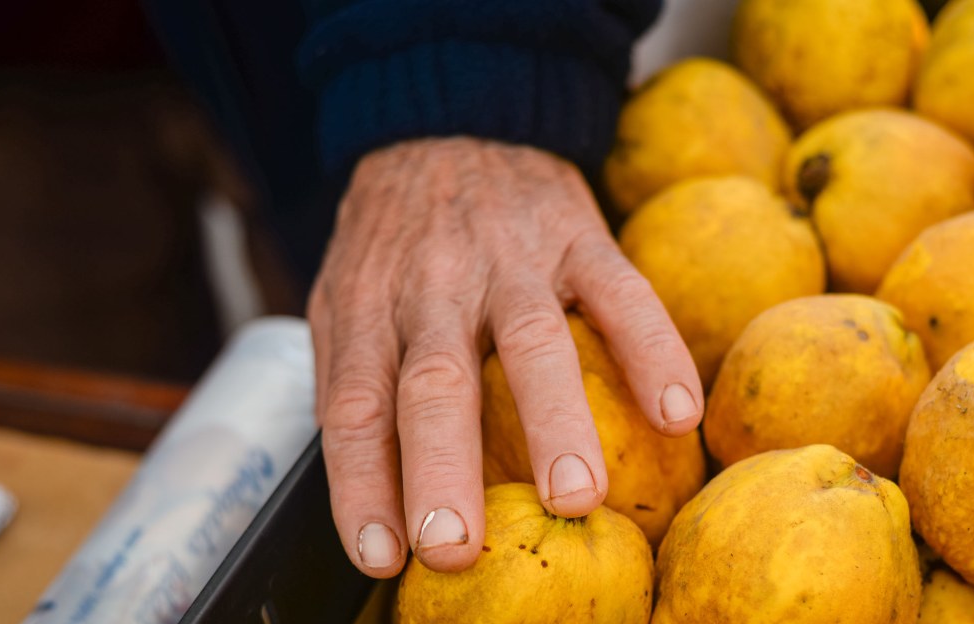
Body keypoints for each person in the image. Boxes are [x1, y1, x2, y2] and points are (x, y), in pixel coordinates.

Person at [145, 0, 704, 577]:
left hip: (335, 73)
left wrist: (464, 64)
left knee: (401, 351)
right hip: (87, 60)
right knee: (147, 409)